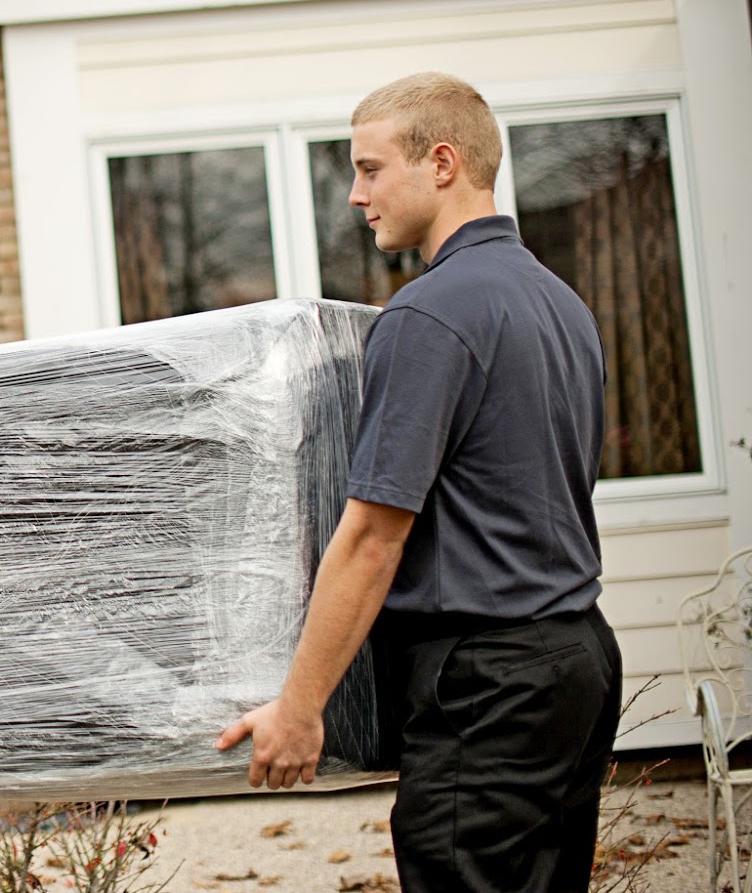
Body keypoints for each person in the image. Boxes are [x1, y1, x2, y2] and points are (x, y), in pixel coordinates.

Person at [216, 73, 620, 892]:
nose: (358, 196)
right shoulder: (561, 303)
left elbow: (372, 537)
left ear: (442, 163)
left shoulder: (429, 314)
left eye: (370, 169)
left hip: (489, 686)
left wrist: (300, 707)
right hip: (576, 662)